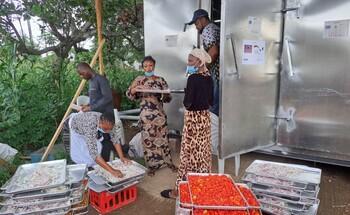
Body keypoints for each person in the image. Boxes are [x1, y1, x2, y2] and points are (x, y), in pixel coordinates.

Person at [161, 48, 213, 199]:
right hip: (205, 119)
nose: (188, 63)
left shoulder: (193, 78)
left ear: (199, 61)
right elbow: (211, 101)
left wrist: (189, 92)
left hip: (193, 120)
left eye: (191, 61)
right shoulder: (209, 78)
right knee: (202, 154)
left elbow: (188, 103)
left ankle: (179, 191)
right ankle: (201, 189)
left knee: (187, 155)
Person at [126, 56, 176, 176]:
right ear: (142, 67)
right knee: (148, 140)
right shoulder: (139, 80)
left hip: (159, 115)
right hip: (146, 116)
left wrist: (166, 95)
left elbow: (168, 98)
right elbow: (129, 94)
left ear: (154, 66)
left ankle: (168, 163)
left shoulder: (160, 80)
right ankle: (152, 167)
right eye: (146, 66)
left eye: (151, 65)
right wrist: (133, 90)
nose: (148, 68)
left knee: (163, 139)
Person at [69, 111, 131, 177]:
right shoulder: (90, 126)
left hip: (86, 123)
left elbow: (115, 139)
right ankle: (83, 171)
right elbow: (94, 154)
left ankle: (95, 167)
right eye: (106, 129)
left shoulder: (110, 122)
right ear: (100, 123)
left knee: (95, 148)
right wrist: (112, 171)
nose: (108, 131)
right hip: (76, 125)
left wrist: (121, 157)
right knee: (82, 153)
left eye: (109, 129)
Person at [188, 9, 220, 116]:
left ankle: (211, 132)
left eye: (196, 23)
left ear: (202, 19)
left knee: (213, 111)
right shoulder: (215, 28)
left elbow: (214, 52)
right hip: (221, 75)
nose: (196, 27)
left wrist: (202, 69)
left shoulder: (207, 29)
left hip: (216, 76)